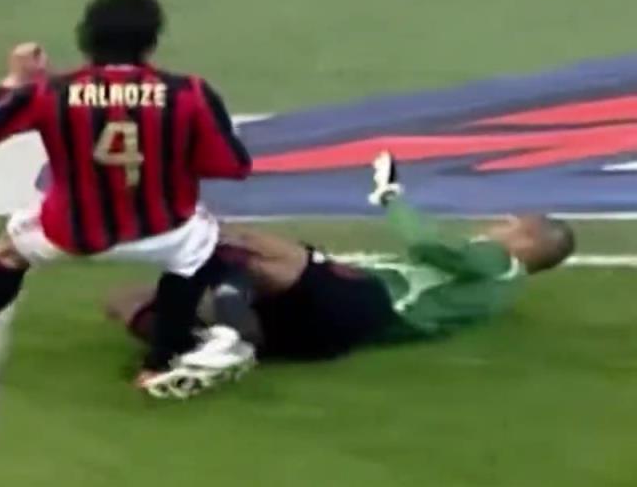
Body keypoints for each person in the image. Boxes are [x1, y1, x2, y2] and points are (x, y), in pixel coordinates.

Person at [0, 0, 255, 397]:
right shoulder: (190, 92)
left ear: (86, 38)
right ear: (151, 41)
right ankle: (159, 363)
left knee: (8, 253)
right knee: (200, 249)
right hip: (164, 231)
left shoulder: (50, 92)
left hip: (68, 232)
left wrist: (15, 81)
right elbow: (233, 166)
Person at [109, 152, 576, 362]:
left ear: (527, 242)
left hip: (368, 301)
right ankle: (212, 340)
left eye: (509, 225)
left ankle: (157, 230)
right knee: (137, 300)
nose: (495, 227)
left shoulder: (498, 262)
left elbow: (429, 246)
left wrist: (391, 197)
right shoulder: (501, 290)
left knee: (248, 248)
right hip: (348, 329)